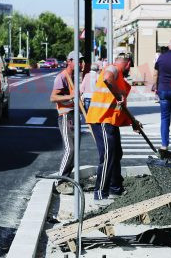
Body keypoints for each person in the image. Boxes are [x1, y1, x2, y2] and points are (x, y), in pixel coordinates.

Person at [86, 54, 137, 202]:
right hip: (101, 120)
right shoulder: (113, 69)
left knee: (116, 153)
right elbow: (107, 78)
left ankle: (116, 188)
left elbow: (120, 107)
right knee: (108, 156)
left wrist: (133, 122)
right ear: (127, 64)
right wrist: (119, 93)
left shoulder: (122, 81)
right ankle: (100, 193)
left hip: (110, 122)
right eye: (130, 67)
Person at [49, 51, 83, 195]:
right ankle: (60, 181)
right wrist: (71, 96)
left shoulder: (75, 77)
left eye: (82, 61)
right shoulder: (62, 77)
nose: (81, 64)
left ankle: (67, 179)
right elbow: (53, 97)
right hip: (65, 116)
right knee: (70, 149)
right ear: (69, 61)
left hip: (74, 115)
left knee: (75, 150)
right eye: (78, 61)